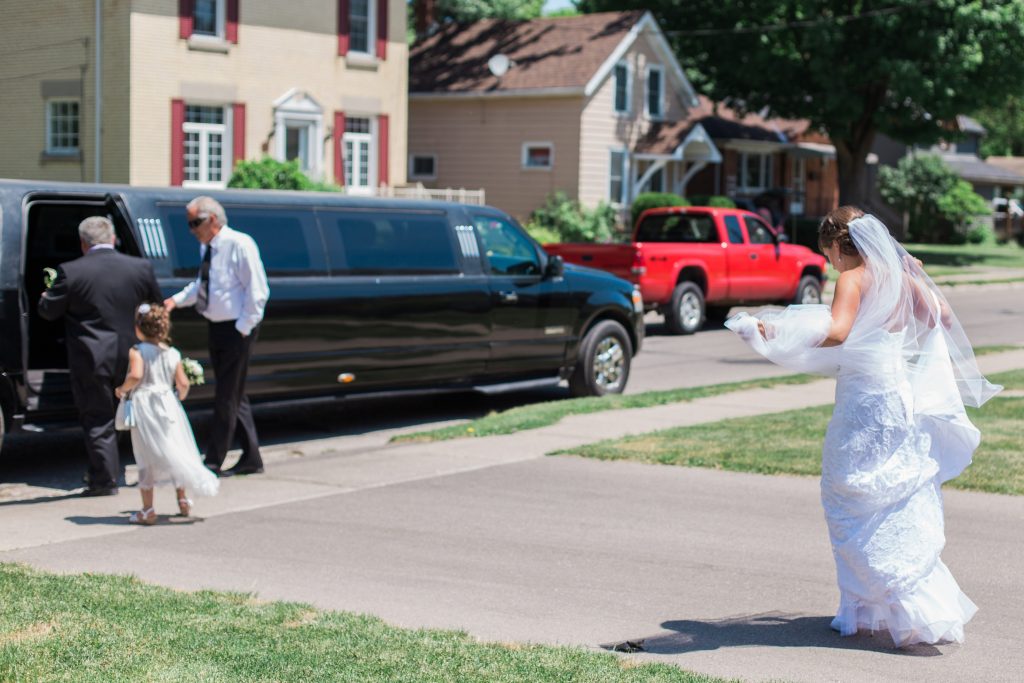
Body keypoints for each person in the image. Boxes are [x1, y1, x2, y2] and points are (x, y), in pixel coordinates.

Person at [725, 206, 1001, 648]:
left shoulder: (852, 278)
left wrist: (776, 335)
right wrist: (911, 273)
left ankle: (890, 596)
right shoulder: (899, 279)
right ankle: (876, 607)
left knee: (846, 491)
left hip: (865, 401)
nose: (831, 263)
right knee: (887, 494)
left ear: (838, 244)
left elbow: (837, 332)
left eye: (829, 253)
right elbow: (941, 318)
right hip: (897, 397)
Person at [38, 216, 162, 497]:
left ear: (83, 243)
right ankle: (151, 475)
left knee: (98, 418)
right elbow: (155, 306)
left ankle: (104, 480)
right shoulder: (140, 268)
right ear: (114, 238)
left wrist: (46, 296)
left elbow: (48, 312)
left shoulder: (71, 271)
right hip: (135, 355)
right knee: (143, 416)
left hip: (92, 357)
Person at [164, 196, 269, 477]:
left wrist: (243, 329)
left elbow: (257, 291)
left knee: (225, 395)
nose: (191, 229)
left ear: (212, 220)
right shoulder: (207, 248)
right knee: (234, 393)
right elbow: (204, 284)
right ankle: (252, 457)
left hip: (237, 328)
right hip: (217, 326)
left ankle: (213, 461)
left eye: (194, 222)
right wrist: (174, 301)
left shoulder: (239, 244)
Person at [115, 304, 220, 524]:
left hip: (146, 404)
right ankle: (182, 500)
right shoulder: (173, 353)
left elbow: (136, 375)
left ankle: (147, 509)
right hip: (168, 404)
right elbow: (182, 383)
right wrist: (178, 397)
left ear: (139, 328)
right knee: (174, 448)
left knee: (146, 455)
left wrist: (122, 389)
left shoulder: (137, 351)